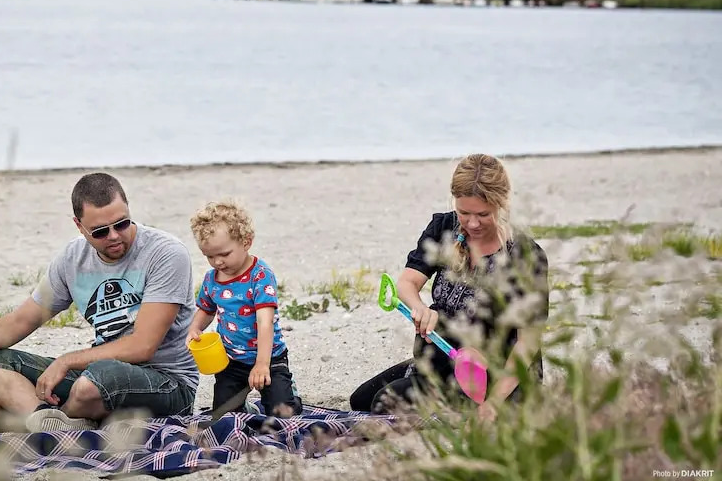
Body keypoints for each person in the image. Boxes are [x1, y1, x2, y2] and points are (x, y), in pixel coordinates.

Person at [0, 172, 200, 431]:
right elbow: (21, 320)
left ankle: (38, 419)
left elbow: (143, 346)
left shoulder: (165, 253)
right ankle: (49, 422)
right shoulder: (72, 259)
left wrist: (67, 360)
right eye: (100, 231)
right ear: (79, 226)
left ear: (129, 211)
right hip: (98, 375)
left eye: (122, 223)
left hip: (167, 383)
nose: (114, 236)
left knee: (92, 383)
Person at [349, 153, 549, 422]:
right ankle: (430, 381)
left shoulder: (525, 255)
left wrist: (492, 403)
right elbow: (407, 283)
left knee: (383, 403)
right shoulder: (443, 228)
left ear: (501, 205)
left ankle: (456, 402)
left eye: (483, 214)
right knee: (360, 400)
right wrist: (419, 307)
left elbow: (528, 341)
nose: (473, 224)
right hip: (447, 357)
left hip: (499, 373)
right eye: (464, 213)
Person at [186, 199, 303, 418]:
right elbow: (206, 308)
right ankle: (243, 407)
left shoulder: (260, 276)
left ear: (246, 242)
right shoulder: (212, 279)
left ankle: (290, 395)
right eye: (210, 256)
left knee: (283, 414)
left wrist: (262, 364)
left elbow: (264, 322)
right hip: (231, 360)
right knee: (223, 417)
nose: (217, 262)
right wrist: (195, 328)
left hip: (269, 357)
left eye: (224, 254)